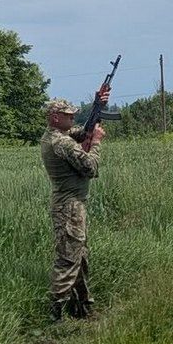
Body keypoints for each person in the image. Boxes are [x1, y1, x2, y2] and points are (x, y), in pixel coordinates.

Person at [39, 88, 108, 323]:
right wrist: (96, 143)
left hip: (71, 206)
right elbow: (90, 167)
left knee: (80, 258)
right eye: (68, 115)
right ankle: (55, 314)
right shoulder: (61, 143)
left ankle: (81, 308)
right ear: (55, 117)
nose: (72, 118)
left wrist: (98, 105)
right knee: (69, 260)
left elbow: (79, 133)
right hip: (69, 208)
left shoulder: (57, 137)